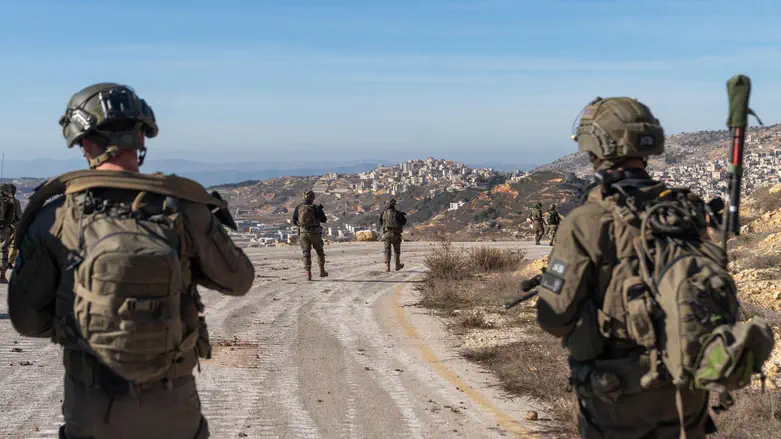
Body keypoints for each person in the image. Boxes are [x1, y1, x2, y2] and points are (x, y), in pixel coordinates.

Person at [8, 82, 255, 439]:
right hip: (174, 409)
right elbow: (239, 281)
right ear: (141, 139)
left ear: (85, 143)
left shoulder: (55, 215)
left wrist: (83, 318)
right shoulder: (184, 206)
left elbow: (27, 320)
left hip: (92, 411)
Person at [535, 97, 715, 438]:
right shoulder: (683, 211)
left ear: (597, 145)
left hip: (619, 394)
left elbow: (553, 318)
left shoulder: (588, 220)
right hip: (687, 391)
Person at [292, 190, 328, 281]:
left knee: (306, 253)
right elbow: (324, 220)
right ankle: (322, 271)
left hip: (303, 234)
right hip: (315, 233)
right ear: (313, 198)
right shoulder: (316, 207)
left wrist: (302, 226)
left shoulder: (299, 207)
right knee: (319, 251)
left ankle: (308, 274)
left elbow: (294, 220)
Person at [0, 183, 21, 282]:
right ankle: (3, 274)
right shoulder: (12, 201)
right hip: (7, 228)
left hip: (7, 227)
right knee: (5, 250)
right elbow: (18, 215)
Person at [378, 198, 406, 272]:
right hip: (396, 234)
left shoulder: (383, 213)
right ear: (394, 204)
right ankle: (397, 265)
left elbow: (380, 222)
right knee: (396, 251)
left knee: (387, 250)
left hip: (386, 234)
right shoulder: (398, 213)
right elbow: (403, 222)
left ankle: (387, 267)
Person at [5, 183, 23, 271]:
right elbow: (19, 215)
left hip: (3, 226)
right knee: (13, 244)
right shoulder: (16, 202)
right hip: (13, 226)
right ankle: (9, 262)